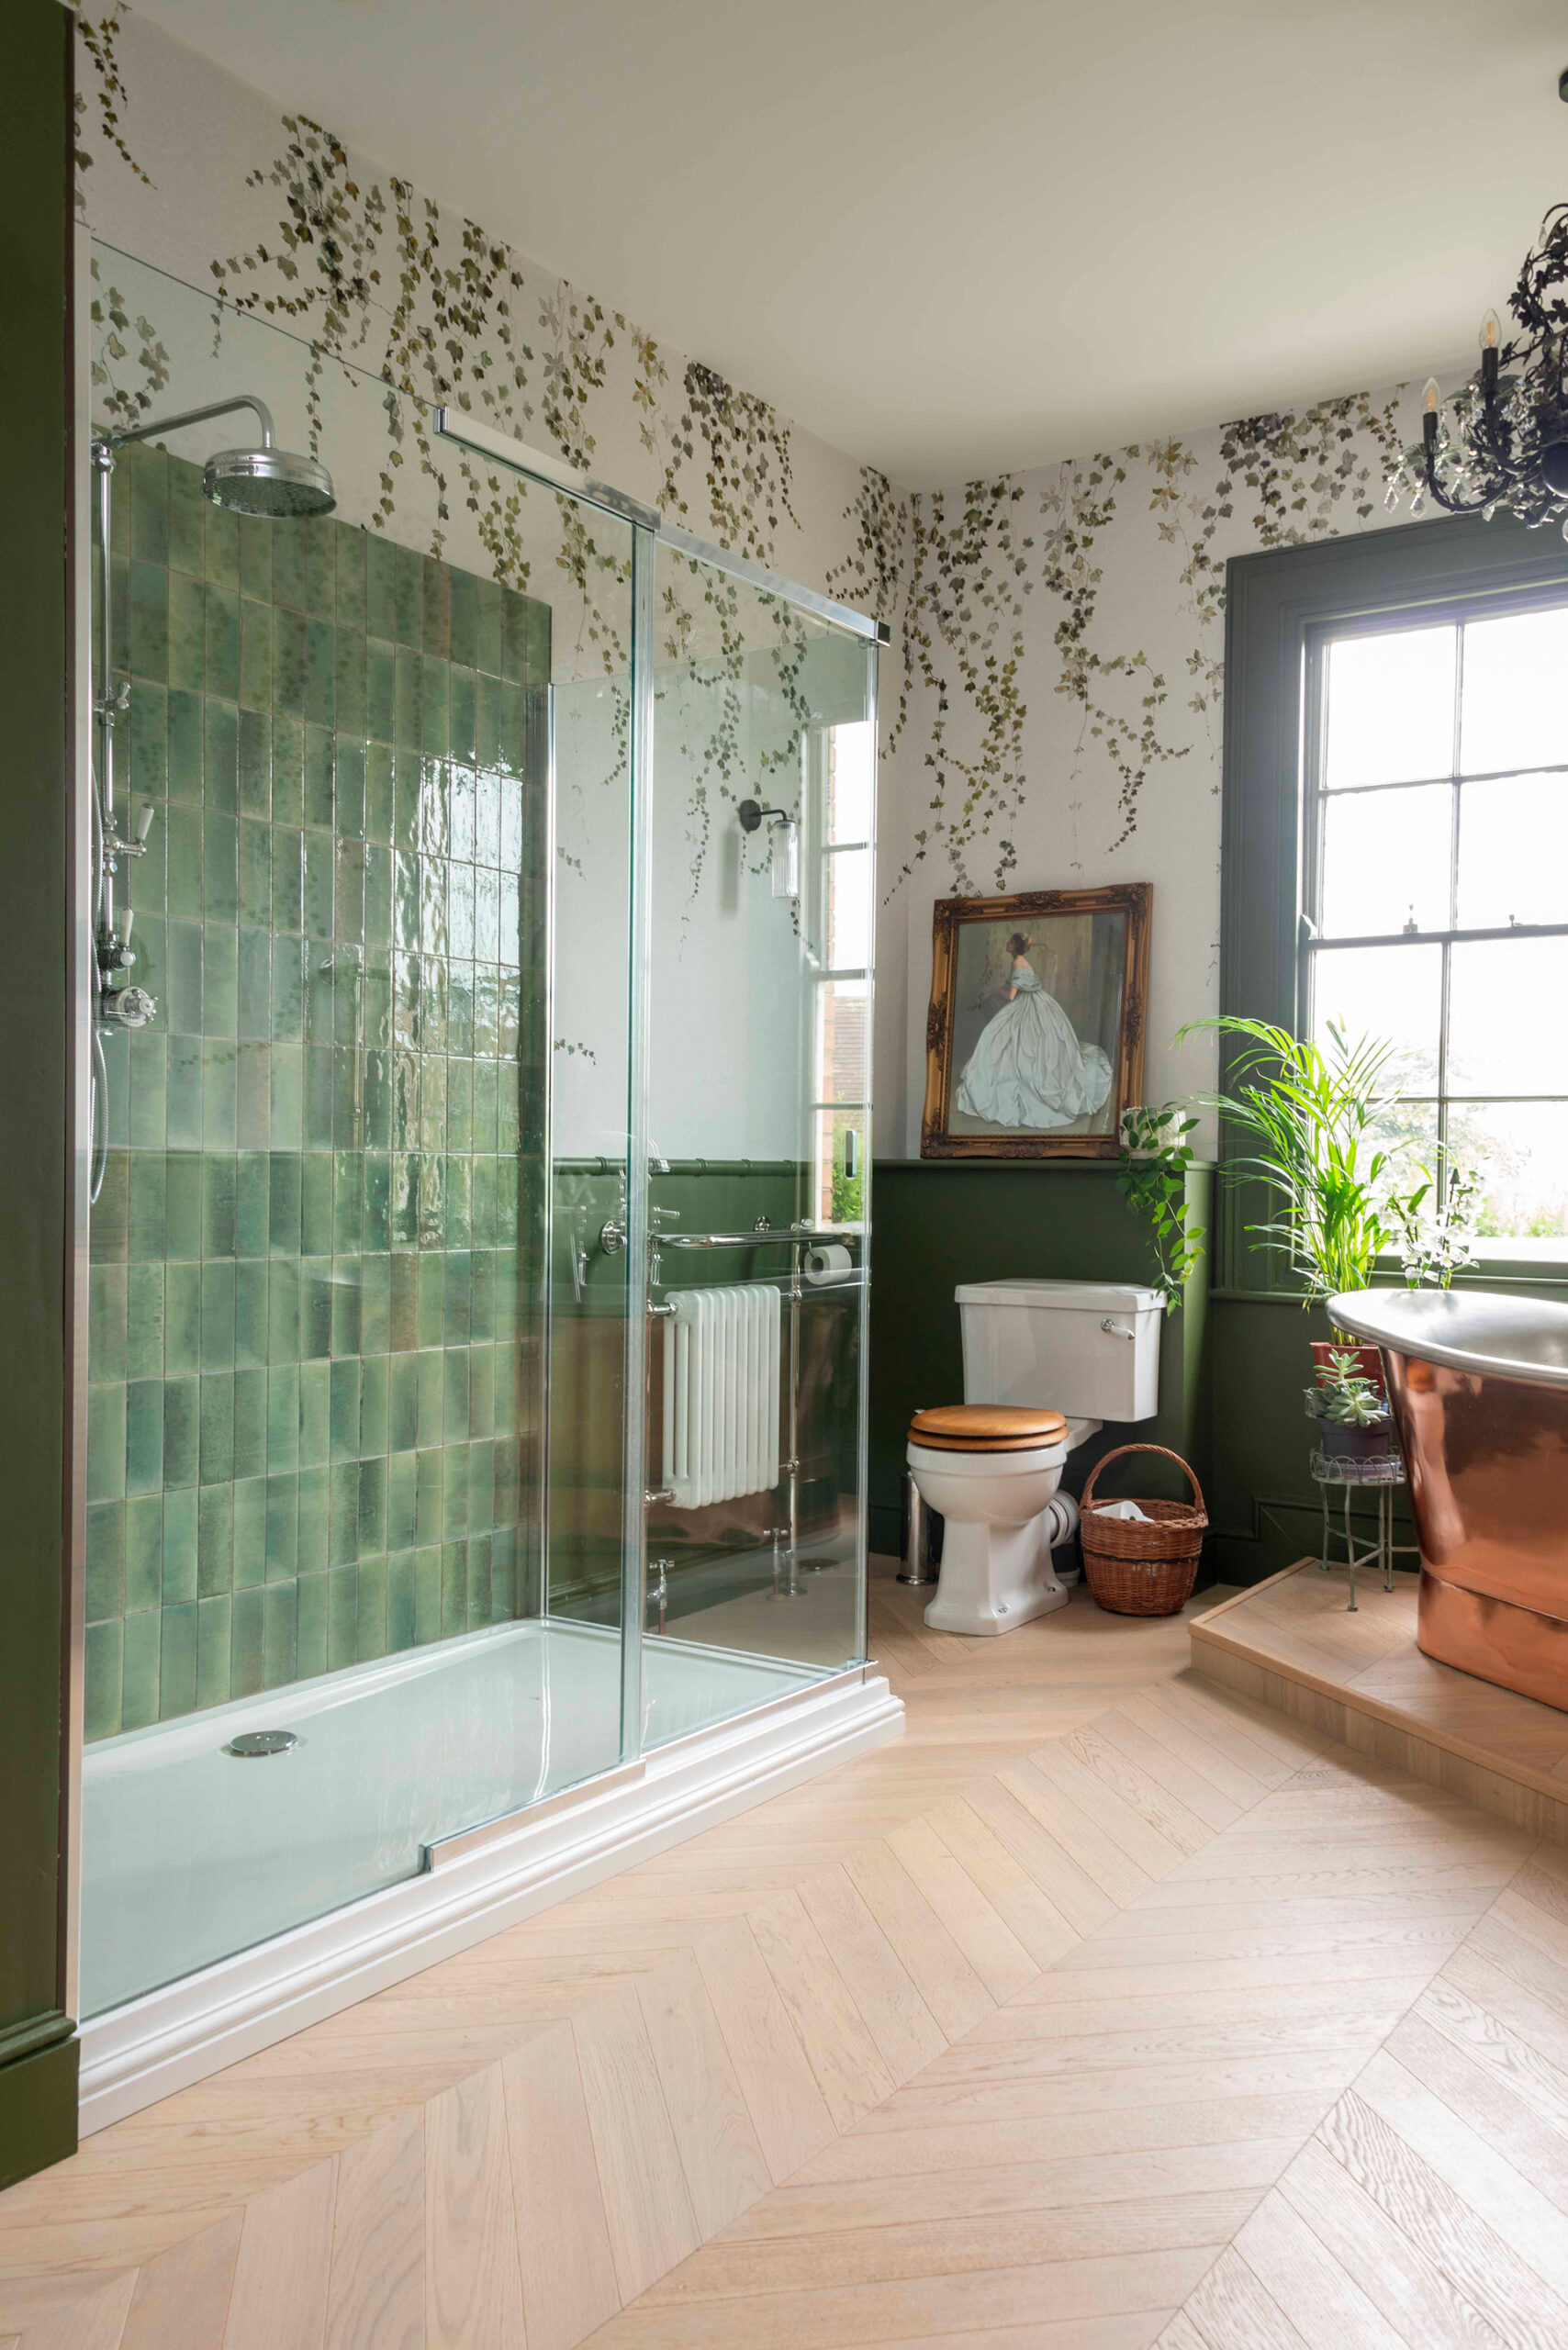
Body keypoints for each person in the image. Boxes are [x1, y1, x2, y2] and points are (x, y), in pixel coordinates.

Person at [956, 931, 1112, 1130]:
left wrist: (993, 992)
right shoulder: (1024, 962)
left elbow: (1012, 996)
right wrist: (989, 994)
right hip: (1040, 1003)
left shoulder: (1017, 963)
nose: (1007, 944)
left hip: (1028, 1006)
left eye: (1010, 942)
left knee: (1003, 1040)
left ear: (1015, 946)